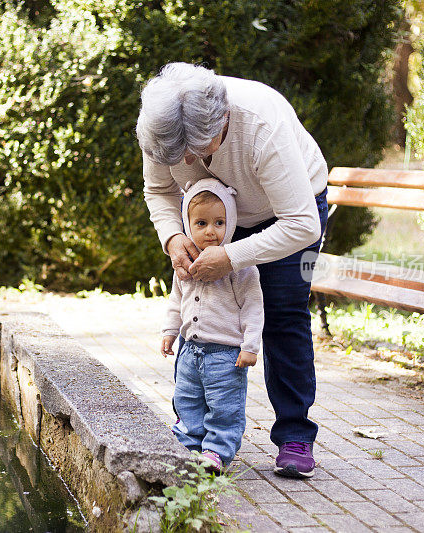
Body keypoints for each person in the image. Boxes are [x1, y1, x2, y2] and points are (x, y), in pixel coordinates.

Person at [137, 62, 329, 478]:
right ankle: (198, 434)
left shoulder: (260, 124)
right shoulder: (162, 125)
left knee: (282, 313)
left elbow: (301, 224)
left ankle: (295, 436)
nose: (185, 161)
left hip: (290, 213)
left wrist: (232, 256)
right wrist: (173, 238)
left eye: (194, 153)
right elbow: (159, 189)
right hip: (219, 211)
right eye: (178, 156)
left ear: (220, 122)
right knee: (201, 320)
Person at [161, 178, 263, 473]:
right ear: (187, 225)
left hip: (226, 356)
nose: (210, 230)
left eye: (219, 222)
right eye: (202, 222)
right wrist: (169, 331)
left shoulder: (240, 267)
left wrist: (251, 346)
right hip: (189, 352)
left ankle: (216, 453)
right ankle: (188, 446)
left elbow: (254, 308)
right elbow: (175, 300)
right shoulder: (185, 263)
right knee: (187, 399)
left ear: (230, 223)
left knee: (224, 407)